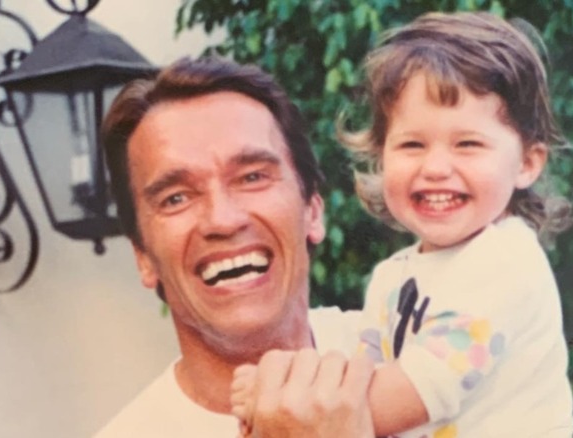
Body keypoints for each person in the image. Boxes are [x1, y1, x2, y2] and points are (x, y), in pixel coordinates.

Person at [231, 11, 573, 437]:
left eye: (467, 144)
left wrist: (282, 400)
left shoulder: (503, 262)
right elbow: (365, 380)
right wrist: (290, 388)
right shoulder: (394, 276)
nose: (435, 167)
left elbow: (402, 398)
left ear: (526, 163)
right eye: (412, 144)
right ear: (381, 157)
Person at [94, 56, 375, 437]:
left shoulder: (418, 361)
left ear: (312, 210)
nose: (223, 220)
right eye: (176, 198)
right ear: (143, 257)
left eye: (252, 177)